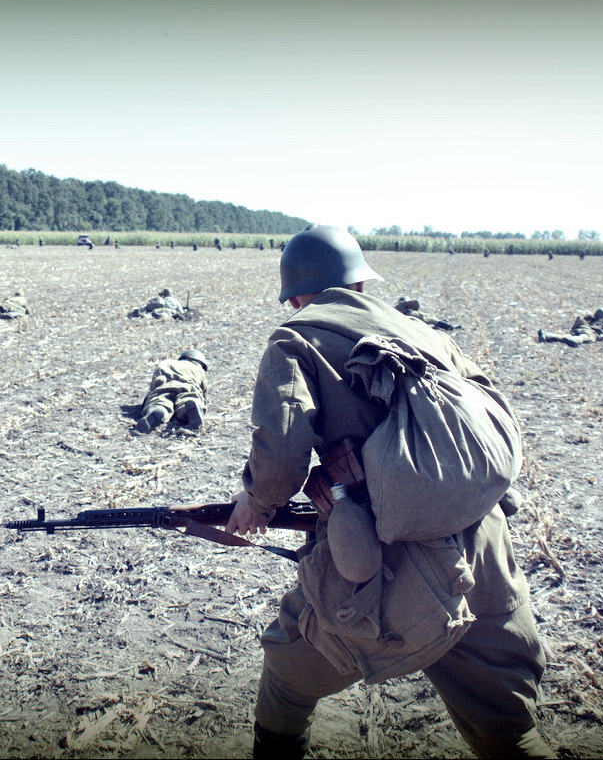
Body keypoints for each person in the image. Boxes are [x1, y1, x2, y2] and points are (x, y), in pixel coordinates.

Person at [225, 224, 554, 759]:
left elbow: (281, 453)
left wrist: (256, 502)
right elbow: (491, 418)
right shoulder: (423, 333)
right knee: (509, 731)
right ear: (359, 284)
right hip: (482, 542)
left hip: (386, 553)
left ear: (296, 296)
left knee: (289, 669)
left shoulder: (296, 338)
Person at [134, 349, 209, 433]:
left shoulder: (166, 363)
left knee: (160, 400)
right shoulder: (199, 369)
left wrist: (150, 398)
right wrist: (203, 402)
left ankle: (158, 410)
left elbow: (154, 384)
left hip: (165, 386)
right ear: (201, 363)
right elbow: (203, 391)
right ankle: (188, 409)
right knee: (189, 399)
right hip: (188, 387)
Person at [537, 308, 603, 347]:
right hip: (588, 332)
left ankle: (547, 335)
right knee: (584, 337)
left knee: (566, 336)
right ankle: (574, 340)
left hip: (579, 328)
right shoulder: (601, 323)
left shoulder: (588, 319)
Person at [394, 295, 460, 331]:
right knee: (430, 318)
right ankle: (449, 327)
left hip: (402, 320)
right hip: (409, 314)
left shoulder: (395, 308)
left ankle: (438, 325)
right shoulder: (403, 303)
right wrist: (415, 309)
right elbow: (415, 303)